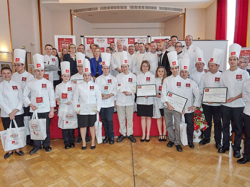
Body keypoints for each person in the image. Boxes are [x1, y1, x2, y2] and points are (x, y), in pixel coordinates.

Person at [219, 44, 249, 158]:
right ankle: (225, 145)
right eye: (230, 60)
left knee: (238, 128)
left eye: (234, 59)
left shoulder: (244, 74)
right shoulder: (224, 74)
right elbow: (221, 89)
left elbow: (246, 91)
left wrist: (234, 98)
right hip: (225, 105)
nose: (232, 61)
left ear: (238, 61)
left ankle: (236, 148)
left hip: (239, 105)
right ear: (228, 61)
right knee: (225, 126)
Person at [23, 54, 56, 155]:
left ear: (44, 71)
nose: (40, 72)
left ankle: (46, 145)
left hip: (45, 109)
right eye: (38, 70)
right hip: (35, 110)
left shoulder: (48, 83)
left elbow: (52, 97)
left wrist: (51, 110)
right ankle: (36, 146)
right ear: (35, 71)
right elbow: (24, 96)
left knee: (46, 128)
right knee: (35, 128)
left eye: (41, 70)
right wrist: (30, 104)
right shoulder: (30, 83)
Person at [73, 59, 102, 150]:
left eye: (88, 75)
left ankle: (93, 141)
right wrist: (76, 109)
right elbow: (75, 98)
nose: (87, 77)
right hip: (82, 110)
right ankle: (84, 143)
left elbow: (99, 97)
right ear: (83, 76)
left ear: (91, 76)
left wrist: (98, 108)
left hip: (92, 109)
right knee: (83, 126)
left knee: (92, 126)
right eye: (85, 75)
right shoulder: (79, 85)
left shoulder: (95, 85)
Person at [199, 48, 224, 148]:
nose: (210, 67)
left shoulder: (222, 75)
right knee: (207, 121)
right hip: (206, 104)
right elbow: (201, 89)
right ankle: (206, 137)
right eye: (209, 65)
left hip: (218, 105)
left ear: (218, 66)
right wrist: (204, 99)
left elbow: (223, 89)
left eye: (212, 65)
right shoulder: (205, 76)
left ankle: (218, 141)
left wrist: (217, 99)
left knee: (218, 122)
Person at [161, 51, 184, 152]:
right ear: (170, 69)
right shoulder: (166, 80)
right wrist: (168, 104)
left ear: (178, 69)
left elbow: (184, 95)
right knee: (169, 123)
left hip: (178, 107)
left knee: (177, 124)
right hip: (167, 106)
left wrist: (183, 107)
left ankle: (178, 142)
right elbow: (163, 92)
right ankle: (171, 139)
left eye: (176, 68)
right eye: (173, 68)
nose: (174, 70)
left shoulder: (183, 80)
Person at [0, 67, 25, 159]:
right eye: (4, 73)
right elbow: (1, 101)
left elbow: (21, 98)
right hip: (5, 113)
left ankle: (18, 149)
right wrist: (9, 112)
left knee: (17, 131)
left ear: (12, 73)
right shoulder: (1, 85)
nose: (6, 75)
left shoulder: (17, 85)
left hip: (18, 112)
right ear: (2, 75)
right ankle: (10, 150)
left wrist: (15, 111)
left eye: (8, 73)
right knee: (8, 131)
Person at [12, 49, 34, 146]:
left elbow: (30, 91)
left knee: (28, 120)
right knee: (20, 121)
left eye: (19, 65)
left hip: (26, 103)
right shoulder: (13, 76)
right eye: (15, 65)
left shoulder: (30, 76)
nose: (17, 67)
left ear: (24, 65)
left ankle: (29, 138)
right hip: (16, 103)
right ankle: (22, 138)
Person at [95, 53, 117, 144]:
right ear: (102, 69)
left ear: (109, 69)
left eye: (107, 68)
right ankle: (106, 136)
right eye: (104, 68)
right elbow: (96, 91)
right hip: (101, 103)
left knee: (109, 120)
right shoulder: (98, 79)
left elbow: (116, 90)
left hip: (110, 102)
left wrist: (109, 95)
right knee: (103, 120)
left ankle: (111, 136)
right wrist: (101, 95)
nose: (106, 70)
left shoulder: (114, 78)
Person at [180, 58, 200, 149]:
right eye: (182, 71)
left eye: (185, 72)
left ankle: (190, 141)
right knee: (178, 125)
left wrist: (195, 105)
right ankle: (179, 140)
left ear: (188, 73)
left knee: (190, 126)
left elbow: (198, 95)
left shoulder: (192, 82)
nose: (184, 73)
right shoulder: (177, 81)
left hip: (188, 108)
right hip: (178, 108)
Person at [71, 52, 91, 144]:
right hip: (77, 102)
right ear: (76, 67)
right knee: (80, 120)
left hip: (86, 101)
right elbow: (70, 90)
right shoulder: (73, 77)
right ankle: (80, 137)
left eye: (81, 66)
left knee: (87, 120)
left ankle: (87, 137)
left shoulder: (88, 77)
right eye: (79, 66)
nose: (80, 68)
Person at [55, 61, 76, 149]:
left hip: (71, 107)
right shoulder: (58, 86)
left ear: (70, 77)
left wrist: (71, 101)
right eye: (64, 76)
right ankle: (66, 142)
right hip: (63, 108)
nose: (66, 77)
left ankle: (72, 141)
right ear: (61, 76)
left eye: (68, 76)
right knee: (65, 126)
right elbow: (56, 96)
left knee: (71, 125)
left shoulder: (74, 85)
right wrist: (58, 100)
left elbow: (76, 96)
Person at [116, 53, 137, 143]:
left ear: (128, 66)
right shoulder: (118, 76)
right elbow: (116, 88)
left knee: (129, 118)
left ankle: (130, 133)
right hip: (120, 100)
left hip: (129, 100)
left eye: (126, 66)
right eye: (122, 67)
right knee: (121, 118)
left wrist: (131, 93)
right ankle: (123, 133)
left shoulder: (133, 76)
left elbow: (135, 88)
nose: (124, 68)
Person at [137, 60, 155, 142]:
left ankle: (148, 134)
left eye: (146, 66)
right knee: (142, 117)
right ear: (141, 67)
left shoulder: (152, 76)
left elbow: (153, 87)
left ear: (149, 67)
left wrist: (149, 93)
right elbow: (136, 87)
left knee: (148, 117)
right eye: (143, 66)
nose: (145, 67)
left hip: (149, 99)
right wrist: (139, 92)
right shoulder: (138, 76)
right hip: (140, 99)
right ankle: (143, 134)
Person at [238, 73, 250, 164]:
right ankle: (246, 156)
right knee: (248, 136)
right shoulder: (246, 82)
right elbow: (244, 96)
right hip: (248, 112)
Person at [155, 66, 167, 141]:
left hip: (165, 102)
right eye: (159, 71)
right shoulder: (154, 80)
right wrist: (156, 94)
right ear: (157, 72)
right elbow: (152, 89)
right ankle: (160, 133)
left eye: (162, 71)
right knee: (159, 117)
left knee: (165, 118)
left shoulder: (167, 80)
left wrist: (163, 96)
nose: (160, 73)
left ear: (164, 72)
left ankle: (164, 133)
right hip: (157, 101)